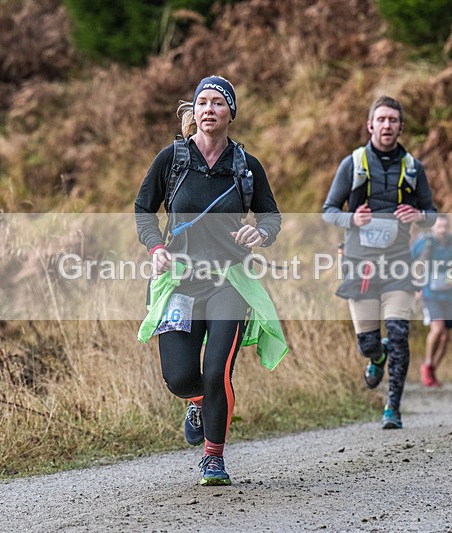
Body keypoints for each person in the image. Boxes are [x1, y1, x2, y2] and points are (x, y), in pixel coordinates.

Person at [134, 75, 286, 486]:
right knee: (180, 377)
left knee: (217, 370)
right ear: (194, 112)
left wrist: (262, 233)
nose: (209, 109)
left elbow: (271, 216)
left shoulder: (245, 166)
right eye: (202, 102)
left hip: (228, 282)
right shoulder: (173, 159)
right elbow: (143, 209)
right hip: (180, 281)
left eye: (218, 103)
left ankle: (214, 458)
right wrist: (155, 248)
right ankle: (198, 403)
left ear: (230, 113)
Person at [322, 95, 437, 429]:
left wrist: (418, 215)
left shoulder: (413, 168)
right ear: (370, 125)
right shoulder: (353, 164)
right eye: (381, 120)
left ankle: (393, 408)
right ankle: (377, 356)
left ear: (401, 127)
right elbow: (329, 211)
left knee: (400, 333)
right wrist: (351, 220)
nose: (387, 125)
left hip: (399, 265)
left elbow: (433, 214)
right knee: (368, 343)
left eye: (393, 120)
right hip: (361, 266)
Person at [410, 215, 452, 388]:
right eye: (439, 226)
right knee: (438, 327)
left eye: (445, 227)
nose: (442, 230)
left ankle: (431, 369)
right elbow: (408, 262)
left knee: (446, 336)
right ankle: (426, 365)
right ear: (433, 228)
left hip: (448, 294)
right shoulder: (424, 243)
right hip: (429, 292)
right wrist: (415, 286)